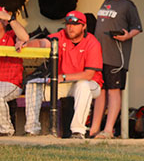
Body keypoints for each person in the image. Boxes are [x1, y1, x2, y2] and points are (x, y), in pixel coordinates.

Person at [23, 11, 103, 139]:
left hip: (91, 84)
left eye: (75, 24)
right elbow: (43, 43)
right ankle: (32, 130)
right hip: (65, 83)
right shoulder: (61, 35)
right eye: (68, 24)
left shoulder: (92, 42)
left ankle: (78, 131)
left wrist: (63, 77)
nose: (70, 27)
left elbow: (88, 75)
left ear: (84, 26)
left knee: (83, 85)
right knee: (33, 85)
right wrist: (25, 44)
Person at [89, 0, 142, 139]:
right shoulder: (107, 2)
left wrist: (126, 36)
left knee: (113, 91)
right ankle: (94, 129)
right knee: (100, 92)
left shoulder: (127, 5)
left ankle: (108, 129)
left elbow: (137, 27)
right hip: (99, 55)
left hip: (115, 57)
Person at [0, 7, 29, 136]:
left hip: (11, 83)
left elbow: (25, 37)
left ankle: (6, 130)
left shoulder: (12, 36)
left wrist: (10, 18)